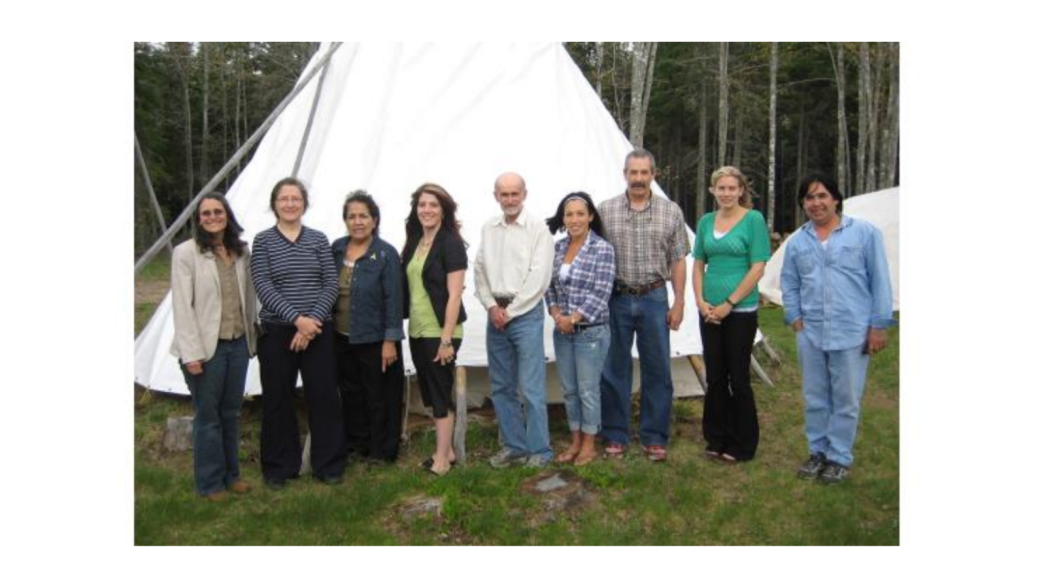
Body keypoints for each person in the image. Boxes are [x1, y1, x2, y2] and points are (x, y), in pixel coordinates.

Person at [782, 173, 894, 484]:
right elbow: (789, 281)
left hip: (852, 329)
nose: (816, 203)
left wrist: (879, 325)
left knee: (846, 399)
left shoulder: (864, 234)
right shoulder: (798, 241)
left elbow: (880, 281)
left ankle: (839, 457)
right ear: (803, 204)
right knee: (815, 396)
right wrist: (794, 315)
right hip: (812, 331)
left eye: (822, 196)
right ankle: (817, 451)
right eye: (809, 198)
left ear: (835, 199)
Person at [251, 177, 346, 489]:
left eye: (295, 198)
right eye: (283, 198)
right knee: (278, 398)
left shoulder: (318, 239)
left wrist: (311, 322)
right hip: (278, 332)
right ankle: (279, 467)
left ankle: (328, 465)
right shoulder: (263, 240)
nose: (290, 204)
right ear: (274, 204)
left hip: (318, 331)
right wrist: (296, 320)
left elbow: (330, 284)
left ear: (304, 203)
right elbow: (263, 285)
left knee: (324, 397)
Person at [597, 148, 689, 462]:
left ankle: (654, 436)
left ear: (653, 175)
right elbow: (593, 254)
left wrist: (679, 302)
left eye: (644, 173)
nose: (638, 179)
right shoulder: (605, 211)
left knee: (658, 368)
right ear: (625, 174)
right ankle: (615, 434)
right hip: (617, 298)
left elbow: (678, 260)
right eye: (633, 173)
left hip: (654, 297)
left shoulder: (670, 211)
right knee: (614, 369)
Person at [170, 193, 257, 501]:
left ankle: (231, 475)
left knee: (230, 413)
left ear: (227, 215)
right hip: (206, 348)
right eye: (205, 213)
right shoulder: (186, 253)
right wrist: (191, 353)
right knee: (208, 417)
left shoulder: (239, 251)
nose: (212, 217)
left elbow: (248, 298)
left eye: (217, 211)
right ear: (198, 219)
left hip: (237, 344)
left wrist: (253, 336)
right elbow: (182, 305)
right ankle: (210, 483)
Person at [474, 172, 555, 468]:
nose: (509, 199)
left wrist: (512, 311)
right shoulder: (488, 228)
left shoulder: (537, 229)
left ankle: (540, 450)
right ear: (495, 196)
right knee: (501, 386)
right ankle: (514, 446)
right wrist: (491, 306)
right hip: (496, 314)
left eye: (514, 194)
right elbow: (480, 269)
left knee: (531, 387)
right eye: (504, 194)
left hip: (525, 315)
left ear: (524, 194)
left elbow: (539, 276)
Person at [692, 166, 771, 464]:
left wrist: (729, 302)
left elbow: (758, 266)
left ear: (740, 191)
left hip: (740, 310)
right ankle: (717, 437)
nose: (726, 193)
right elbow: (699, 263)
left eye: (731, 188)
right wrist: (700, 301)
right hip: (709, 310)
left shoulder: (753, 220)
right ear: (712, 190)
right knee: (715, 376)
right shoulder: (705, 222)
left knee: (738, 377)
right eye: (720, 188)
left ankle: (743, 443)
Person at [330, 190, 405, 464]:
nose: (357, 221)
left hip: (376, 339)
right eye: (352, 216)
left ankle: (381, 451)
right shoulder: (336, 249)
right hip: (341, 337)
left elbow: (393, 300)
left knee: (378, 397)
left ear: (374, 220)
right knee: (351, 393)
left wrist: (390, 341)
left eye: (363, 216)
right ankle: (357, 443)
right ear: (345, 220)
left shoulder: (385, 254)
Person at [401, 183, 468, 476]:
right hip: (417, 330)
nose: (426, 210)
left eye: (433, 205)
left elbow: (455, 295)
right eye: (422, 205)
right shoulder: (416, 240)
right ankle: (448, 450)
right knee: (431, 393)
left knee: (440, 395)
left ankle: (442, 459)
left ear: (443, 210)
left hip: (441, 332)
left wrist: (445, 340)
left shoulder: (450, 243)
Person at [545, 192, 615, 466]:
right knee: (569, 389)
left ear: (590, 217)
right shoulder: (558, 248)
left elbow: (601, 292)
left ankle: (589, 443)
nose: (574, 219)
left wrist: (572, 317)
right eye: (569, 214)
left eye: (579, 214)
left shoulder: (602, 249)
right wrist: (555, 312)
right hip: (562, 331)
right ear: (563, 218)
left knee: (588, 390)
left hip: (591, 331)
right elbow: (549, 286)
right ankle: (575, 439)